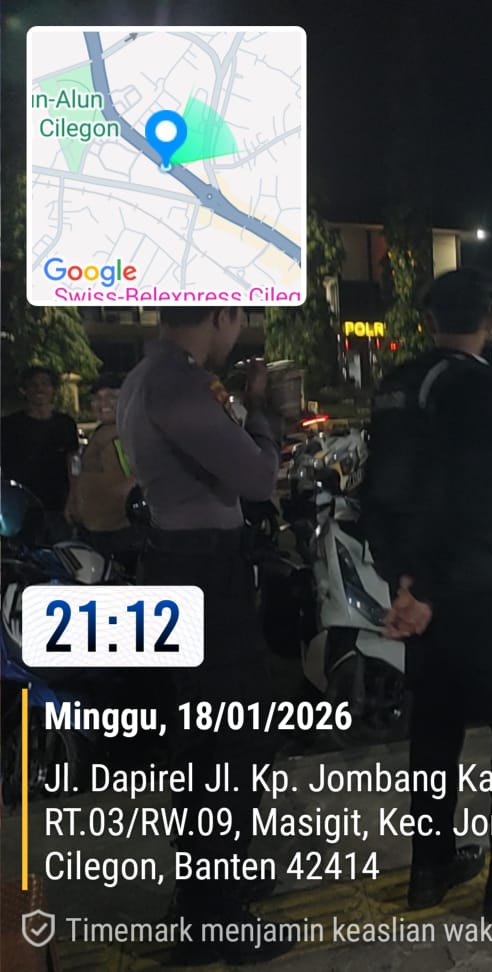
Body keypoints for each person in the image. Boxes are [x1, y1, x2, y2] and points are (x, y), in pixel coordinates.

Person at [364, 269, 492, 919]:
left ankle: (430, 869)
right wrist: (428, 587)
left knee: (435, 727)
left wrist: (402, 582)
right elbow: (479, 496)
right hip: (471, 587)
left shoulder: (397, 385)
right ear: (489, 320)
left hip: (414, 589)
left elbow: (378, 492)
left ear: (430, 321)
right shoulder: (476, 385)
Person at [117, 306, 292, 965]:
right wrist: (263, 417)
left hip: (180, 566)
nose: (240, 331)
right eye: (240, 318)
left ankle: (209, 890)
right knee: (230, 744)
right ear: (220, 314)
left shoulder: (147, 375)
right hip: (203, 577)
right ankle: (214, 917)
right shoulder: (176, 382)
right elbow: (257, 477)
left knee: (204, 744)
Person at [67, 374, 140, 571]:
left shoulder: (119, 436)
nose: (103, 403)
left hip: (116, 535)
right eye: (97, 398)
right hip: (96, 532)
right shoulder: (103, 432)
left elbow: (134, 480)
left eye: (111, 397)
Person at [1, 365, 80, 541]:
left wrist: (74, 497)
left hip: (58, 505)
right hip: (19, 508)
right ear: (24, 390)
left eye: (45, 384)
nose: (39, 389)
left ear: (53, 389)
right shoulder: (8, 425)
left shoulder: (66, 424)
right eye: (33, 385)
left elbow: (74, 462)